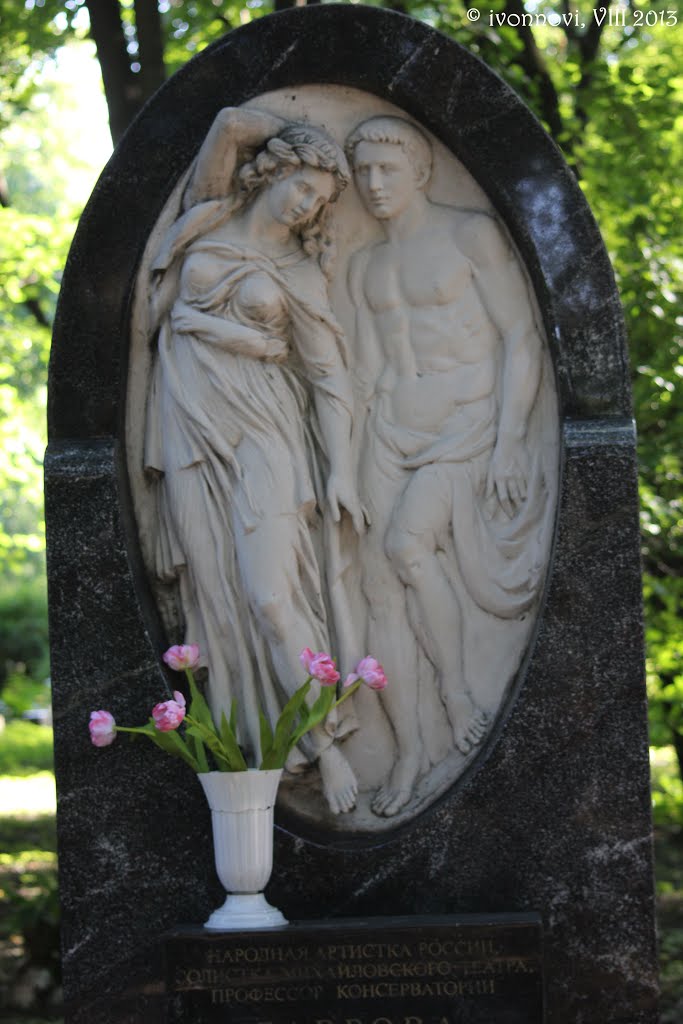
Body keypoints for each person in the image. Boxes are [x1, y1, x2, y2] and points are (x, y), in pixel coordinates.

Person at [144, 108, 363, 814]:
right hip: (190, 432)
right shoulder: (206, 216)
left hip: (264, 435)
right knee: (215, 597)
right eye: (303, 185)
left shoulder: (299, 271)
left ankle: (324, 744)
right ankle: (248, 761)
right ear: (272, 170)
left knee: (270, 596)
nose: (306, 206)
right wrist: (311, 137)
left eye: (319, 202)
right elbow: (231, 119)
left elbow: (329, 379)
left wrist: (343, 471)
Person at [346, 116, 547, 817]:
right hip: (388, 435)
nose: (372, 184)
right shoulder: (364, 265)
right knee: (375, 588)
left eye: (387, 171)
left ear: (420, 173)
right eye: (362, 172)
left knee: (406, 545)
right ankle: (407, 752)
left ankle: (457, 691)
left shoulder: (469, 235)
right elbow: (367, 369)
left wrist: (509, 440)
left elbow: (520, 334)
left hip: (462, 429)